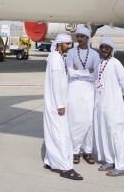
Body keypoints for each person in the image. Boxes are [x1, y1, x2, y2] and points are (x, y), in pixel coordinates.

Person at [43, 33, 83, 181]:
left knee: (53, 132)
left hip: (55, 102)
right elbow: (56, 83)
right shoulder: (55, 60)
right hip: (56, 104)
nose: (70, 46)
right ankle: (65, 167)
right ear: (60, 44)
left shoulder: (57, 57)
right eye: (67, 44)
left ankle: (50, 161)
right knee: (62, 135)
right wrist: (60, 105)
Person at [94, 37, 124, 177]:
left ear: (111, 50)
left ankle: (121, 166)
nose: (103, 50)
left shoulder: (116, 63)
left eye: (106, 47)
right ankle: (110, 161)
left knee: (116, 135)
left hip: (114, 105)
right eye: (101, 47)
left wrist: (118, 94)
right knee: (105, 134)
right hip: (102, 104)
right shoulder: (100, 63)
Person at [65, 26, 100, 165]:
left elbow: (96, 74)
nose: (79, 39)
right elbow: (70, 72)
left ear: (88, 38)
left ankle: (88, 151)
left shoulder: (95, 55)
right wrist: (86, 72)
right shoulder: (72, 52)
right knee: (74, 120)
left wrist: (79, 72)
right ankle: (75, 151)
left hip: (88, 90)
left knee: (89, 121)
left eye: (82, 36)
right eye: (78, 36)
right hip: (74, 89)